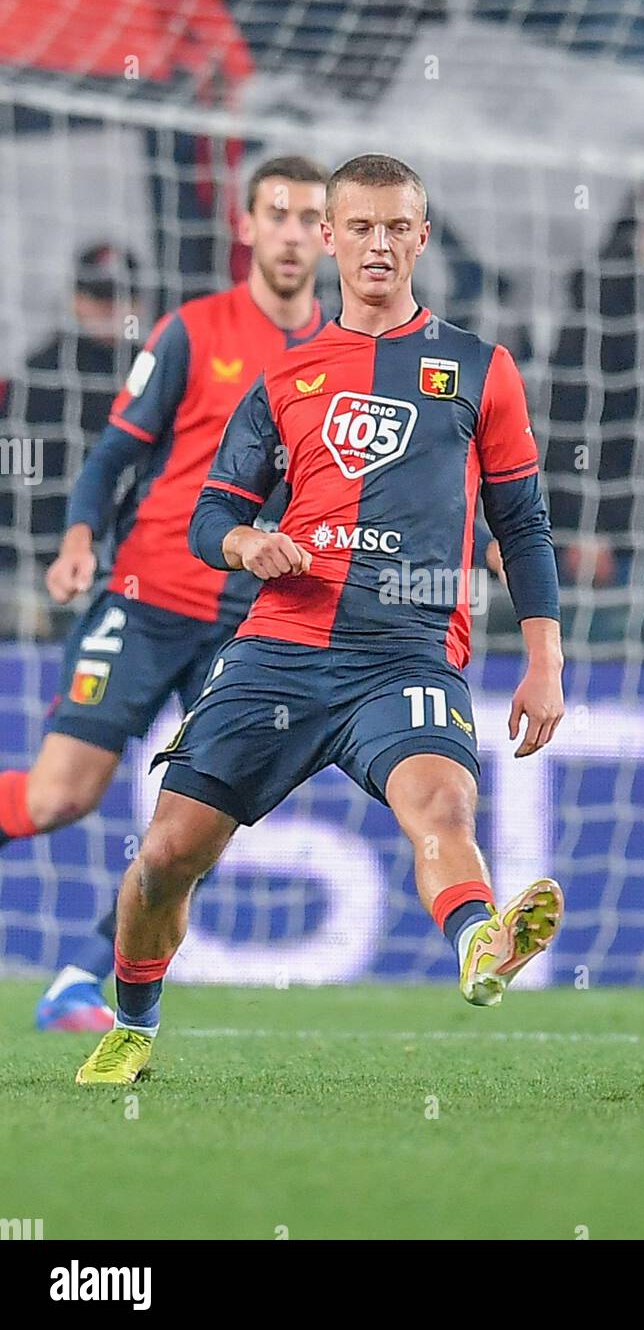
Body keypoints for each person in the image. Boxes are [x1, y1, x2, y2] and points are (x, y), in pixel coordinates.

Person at [75, 153, 566, 1085]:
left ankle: (477, 942)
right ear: (332, 237)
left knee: (443, 803)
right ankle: (133, 1019)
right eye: (361, 227)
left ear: (422, 238)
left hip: (408, 650)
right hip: (280, 650)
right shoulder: (283, 379)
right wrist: (247, 546)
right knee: (168, 856)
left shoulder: (480, 369)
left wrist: (545, 657)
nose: (379, 244)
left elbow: (523, 522)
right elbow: (213, 513)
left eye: (398, 228)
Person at [0, 154, 328, 1032]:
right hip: (145, 598)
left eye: (309, 218)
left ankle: (77, 980)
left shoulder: (345, 361)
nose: (292, 233)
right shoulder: (192, 330)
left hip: (248, 630)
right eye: (278, 214)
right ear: (247, 227)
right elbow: (114, 455)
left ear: (326, 236)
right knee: (58, 796)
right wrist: (78, 539)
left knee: (192, 834)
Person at [0, 244, 143, 634]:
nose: (110, 310)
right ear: (77, 300)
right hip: (54, 561)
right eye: (98, 297)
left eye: (121, 297)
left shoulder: (156, 368)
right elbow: (18, 483)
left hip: (141, 555)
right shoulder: (42, 374)